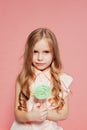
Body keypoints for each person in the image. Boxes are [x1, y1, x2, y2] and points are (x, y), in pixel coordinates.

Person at [10, 28, 73, 130]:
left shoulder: (61, 79)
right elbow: (18, 113)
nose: (40, 58)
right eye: (35, 52)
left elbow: (64, 113)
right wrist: (31, 116)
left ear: (54, 54)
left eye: (46, 52)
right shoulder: (23, 78)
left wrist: (44, 114)